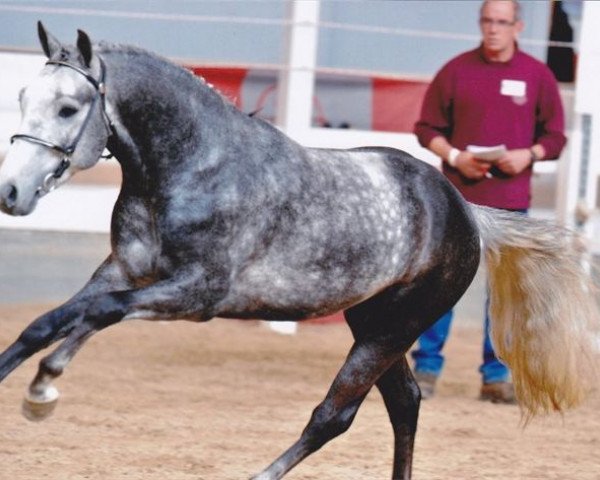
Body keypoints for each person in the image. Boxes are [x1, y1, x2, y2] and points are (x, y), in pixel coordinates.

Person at [412, 0, 567, 403]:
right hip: (457, 199)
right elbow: (426, 127)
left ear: (518, 26)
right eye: (487, 21)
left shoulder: (538, 75)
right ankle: (425, 369)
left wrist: (527, 154)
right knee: (440, 287)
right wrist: (455, 157)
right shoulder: (456, 71)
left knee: (505, 295)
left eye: (501, 22)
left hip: (512, 202)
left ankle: (496, 377)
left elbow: (555, 137)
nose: (493, 29)